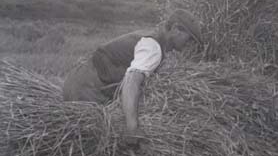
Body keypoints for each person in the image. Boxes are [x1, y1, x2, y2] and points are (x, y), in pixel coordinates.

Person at [63, 9, 202, 141]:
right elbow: (131, 81)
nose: (189, 45)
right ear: (176, 29)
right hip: (85, 90)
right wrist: (132, 128)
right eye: (189, 39)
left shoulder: (153, 38)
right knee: (104, 141)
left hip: (80, 81)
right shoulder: (153, 47)